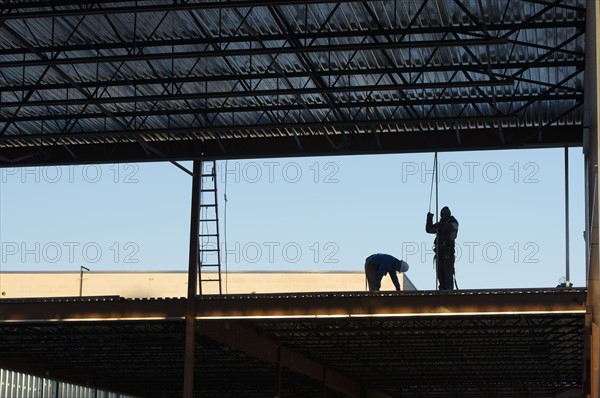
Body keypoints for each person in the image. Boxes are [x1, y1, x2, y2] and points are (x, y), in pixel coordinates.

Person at [426, 206, 459, 290]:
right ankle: (442, 291)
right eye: (443, 213)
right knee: (440, 275)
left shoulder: (453, 222)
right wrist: (429, 218)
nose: (444, 215)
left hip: (448, 253)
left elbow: (451, 227)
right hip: (439, 252)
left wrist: (441, 225)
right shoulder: (440, 225)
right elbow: (429, 229)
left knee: (448, 275)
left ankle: (448, 292)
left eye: (445, 213)